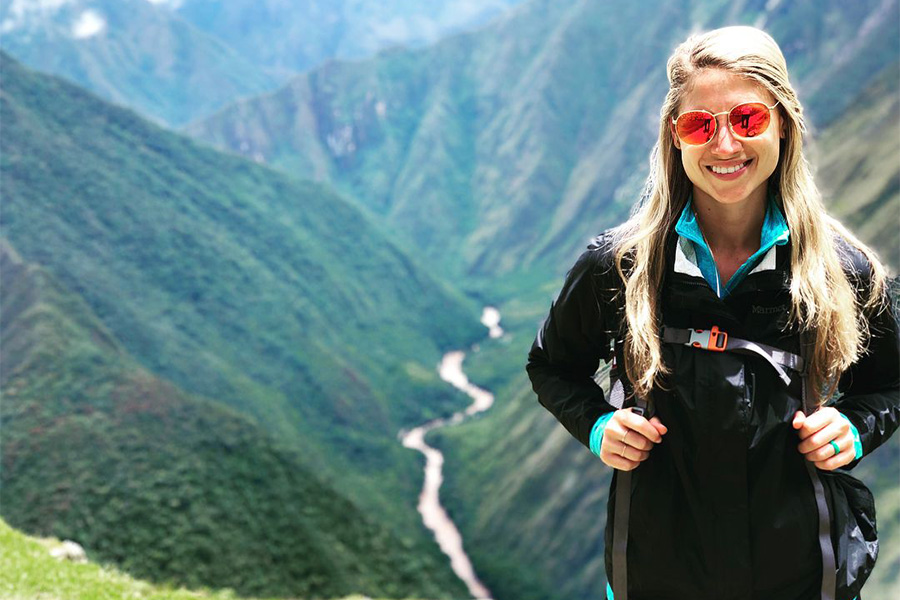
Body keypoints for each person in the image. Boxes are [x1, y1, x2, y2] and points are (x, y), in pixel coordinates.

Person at [526, 26, 899, 600]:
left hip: (800, 579)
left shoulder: (844, 275)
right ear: (674, 138)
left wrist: (852, 428)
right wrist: (599, 426)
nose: (724, 146)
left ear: (785, 125)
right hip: (656, 577)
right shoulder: (620, 267)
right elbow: (551, 366)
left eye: (748, 119)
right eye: (699, 125)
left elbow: (891, 384)